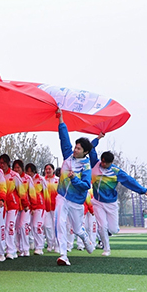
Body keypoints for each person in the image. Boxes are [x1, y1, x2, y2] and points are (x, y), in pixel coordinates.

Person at [88, 134, 147, 255]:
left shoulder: (116, 171)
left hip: (111, 203)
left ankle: (110, 231)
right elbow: (91, 147)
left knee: (113, 229)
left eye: (106, 163)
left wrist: (143, 190)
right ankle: (106, 249)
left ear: (111, 162)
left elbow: (129, 181)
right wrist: (98, 138)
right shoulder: (95, 163)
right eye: (103, 162)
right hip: (97, 202)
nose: (103, 164)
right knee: (102, 226)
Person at [54, 108, 95, 266]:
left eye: (78, 149)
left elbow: (85, 186)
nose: (75, 150)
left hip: (76, 202)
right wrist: (61, 119)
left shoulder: (86, 166)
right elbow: (64, 138)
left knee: (77, 230)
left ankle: (86, 239)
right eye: (75, 147)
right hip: (62, 197)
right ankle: (63, 255)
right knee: (59, 223)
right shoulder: (68, 156)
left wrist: (74, 179)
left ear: (85, 152)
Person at [0, 154, 20, 259]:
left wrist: (25, 205)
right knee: (1, 228)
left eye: (4, 163)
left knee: (9, 227)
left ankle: (11, 251)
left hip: (12, 205)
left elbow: (21, 191)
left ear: (8, 163)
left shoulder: (14, 175)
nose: (2, 165)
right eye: (0, 163)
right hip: (1, 206)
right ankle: (2, 249)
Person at [13, 160, 34, 257]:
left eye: (18, 167)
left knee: (23, 227)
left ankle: (26, 249)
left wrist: (33, 207)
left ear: (22, 168)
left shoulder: (28, 178)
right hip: (15, 207)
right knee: (16, 228)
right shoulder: (12, 177)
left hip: (26, 207)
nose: (16, 169)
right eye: (15, 167)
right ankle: (18, 248)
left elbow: (32, 193)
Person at [26, 163, 46, 255]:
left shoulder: (41, 179)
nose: (29, 173)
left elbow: (46, 193)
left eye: (31, 171)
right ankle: (31, 244)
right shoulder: (25, 179)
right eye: (27, 171)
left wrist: (46, 206)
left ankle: (39, 247)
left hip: (39, 206)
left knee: (36, 226)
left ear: (34, 171)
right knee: (28, 226)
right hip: (28, 206)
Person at [43, 164, 59, 252]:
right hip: (46, 207)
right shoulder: (42, 180)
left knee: (56, 226)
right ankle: (50, 244)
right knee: (47, 226)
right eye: (46, 169)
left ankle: (57, 245)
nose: (48, 171)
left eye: (49, 169)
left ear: (53, 170)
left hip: (55, 207)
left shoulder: (58, 180)